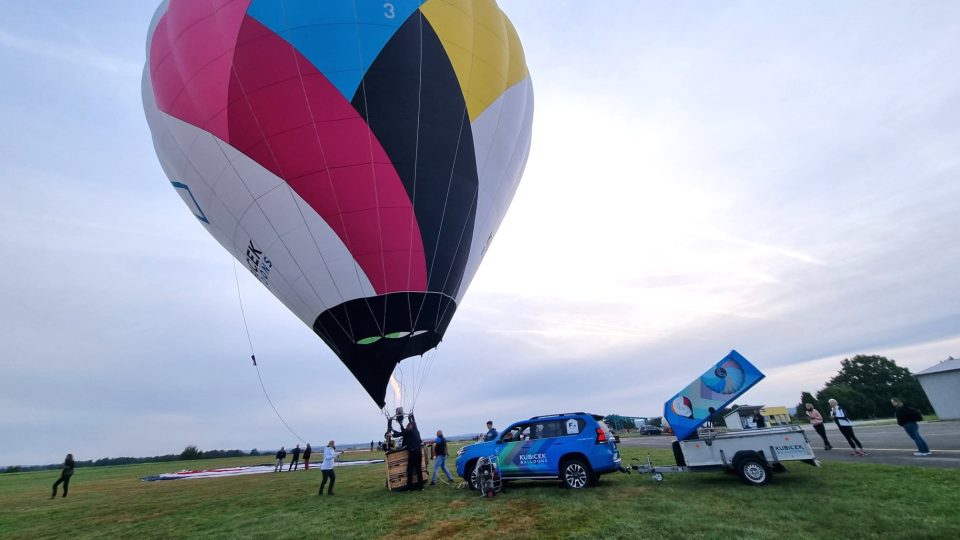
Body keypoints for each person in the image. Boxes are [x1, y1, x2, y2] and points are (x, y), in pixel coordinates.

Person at [391, 418, 424, 491]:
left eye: (408, 426)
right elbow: (404, 432)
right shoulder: (417, 431)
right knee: (418, 470)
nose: (407, 427)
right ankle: (421, 487)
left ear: (411, 426)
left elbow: (401, 433)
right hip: (419, 453)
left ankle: (410, 487)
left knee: (410, 470)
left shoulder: (410, 431)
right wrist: (395, 429)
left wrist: (391, 434)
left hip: (413, 453)